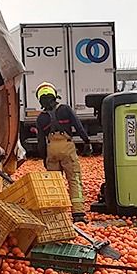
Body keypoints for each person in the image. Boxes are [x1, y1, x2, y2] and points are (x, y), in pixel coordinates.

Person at [35, 82, 90, 218]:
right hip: (67, 148)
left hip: (51, 150)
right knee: (74, 179)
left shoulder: (41, 118)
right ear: (54, 96)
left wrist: (44, 158)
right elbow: (78, 126)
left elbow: (41, 142)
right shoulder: (65, 109)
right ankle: (78, 213)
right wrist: (86, 142)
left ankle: (57, 215)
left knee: (54, 184)